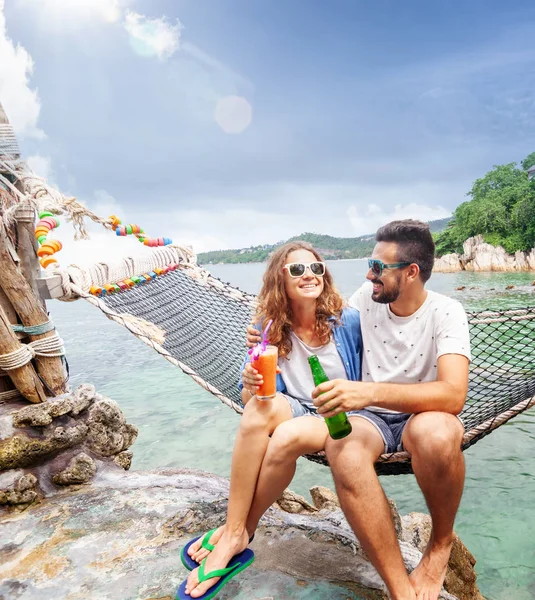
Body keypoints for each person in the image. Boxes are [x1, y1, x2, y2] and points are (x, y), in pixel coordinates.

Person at [247, 219, 470, 600]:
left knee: (435, 435)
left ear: (412, 272)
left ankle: (439, 545)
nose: (369, 274)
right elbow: (314, 315)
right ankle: (399, 588)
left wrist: (366, 392)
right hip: (371, 420)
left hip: (424, 414)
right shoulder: (366, 300)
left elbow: (453, 396)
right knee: (342, 448)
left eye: (379, 267)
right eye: (370, 264)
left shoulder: (446, 312)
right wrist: (266, 330)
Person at [179, 241, 363, 599]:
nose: (309, 275)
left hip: (339, 413)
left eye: (316, 268)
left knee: (283, 438)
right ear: (281, 279)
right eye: (297, 270)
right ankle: (235, 532)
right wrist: (249, 382)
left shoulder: (348, 320)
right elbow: (256, 400)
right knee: (257, 410)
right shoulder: (267, 326)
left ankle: (237, 533)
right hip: (294, 406)